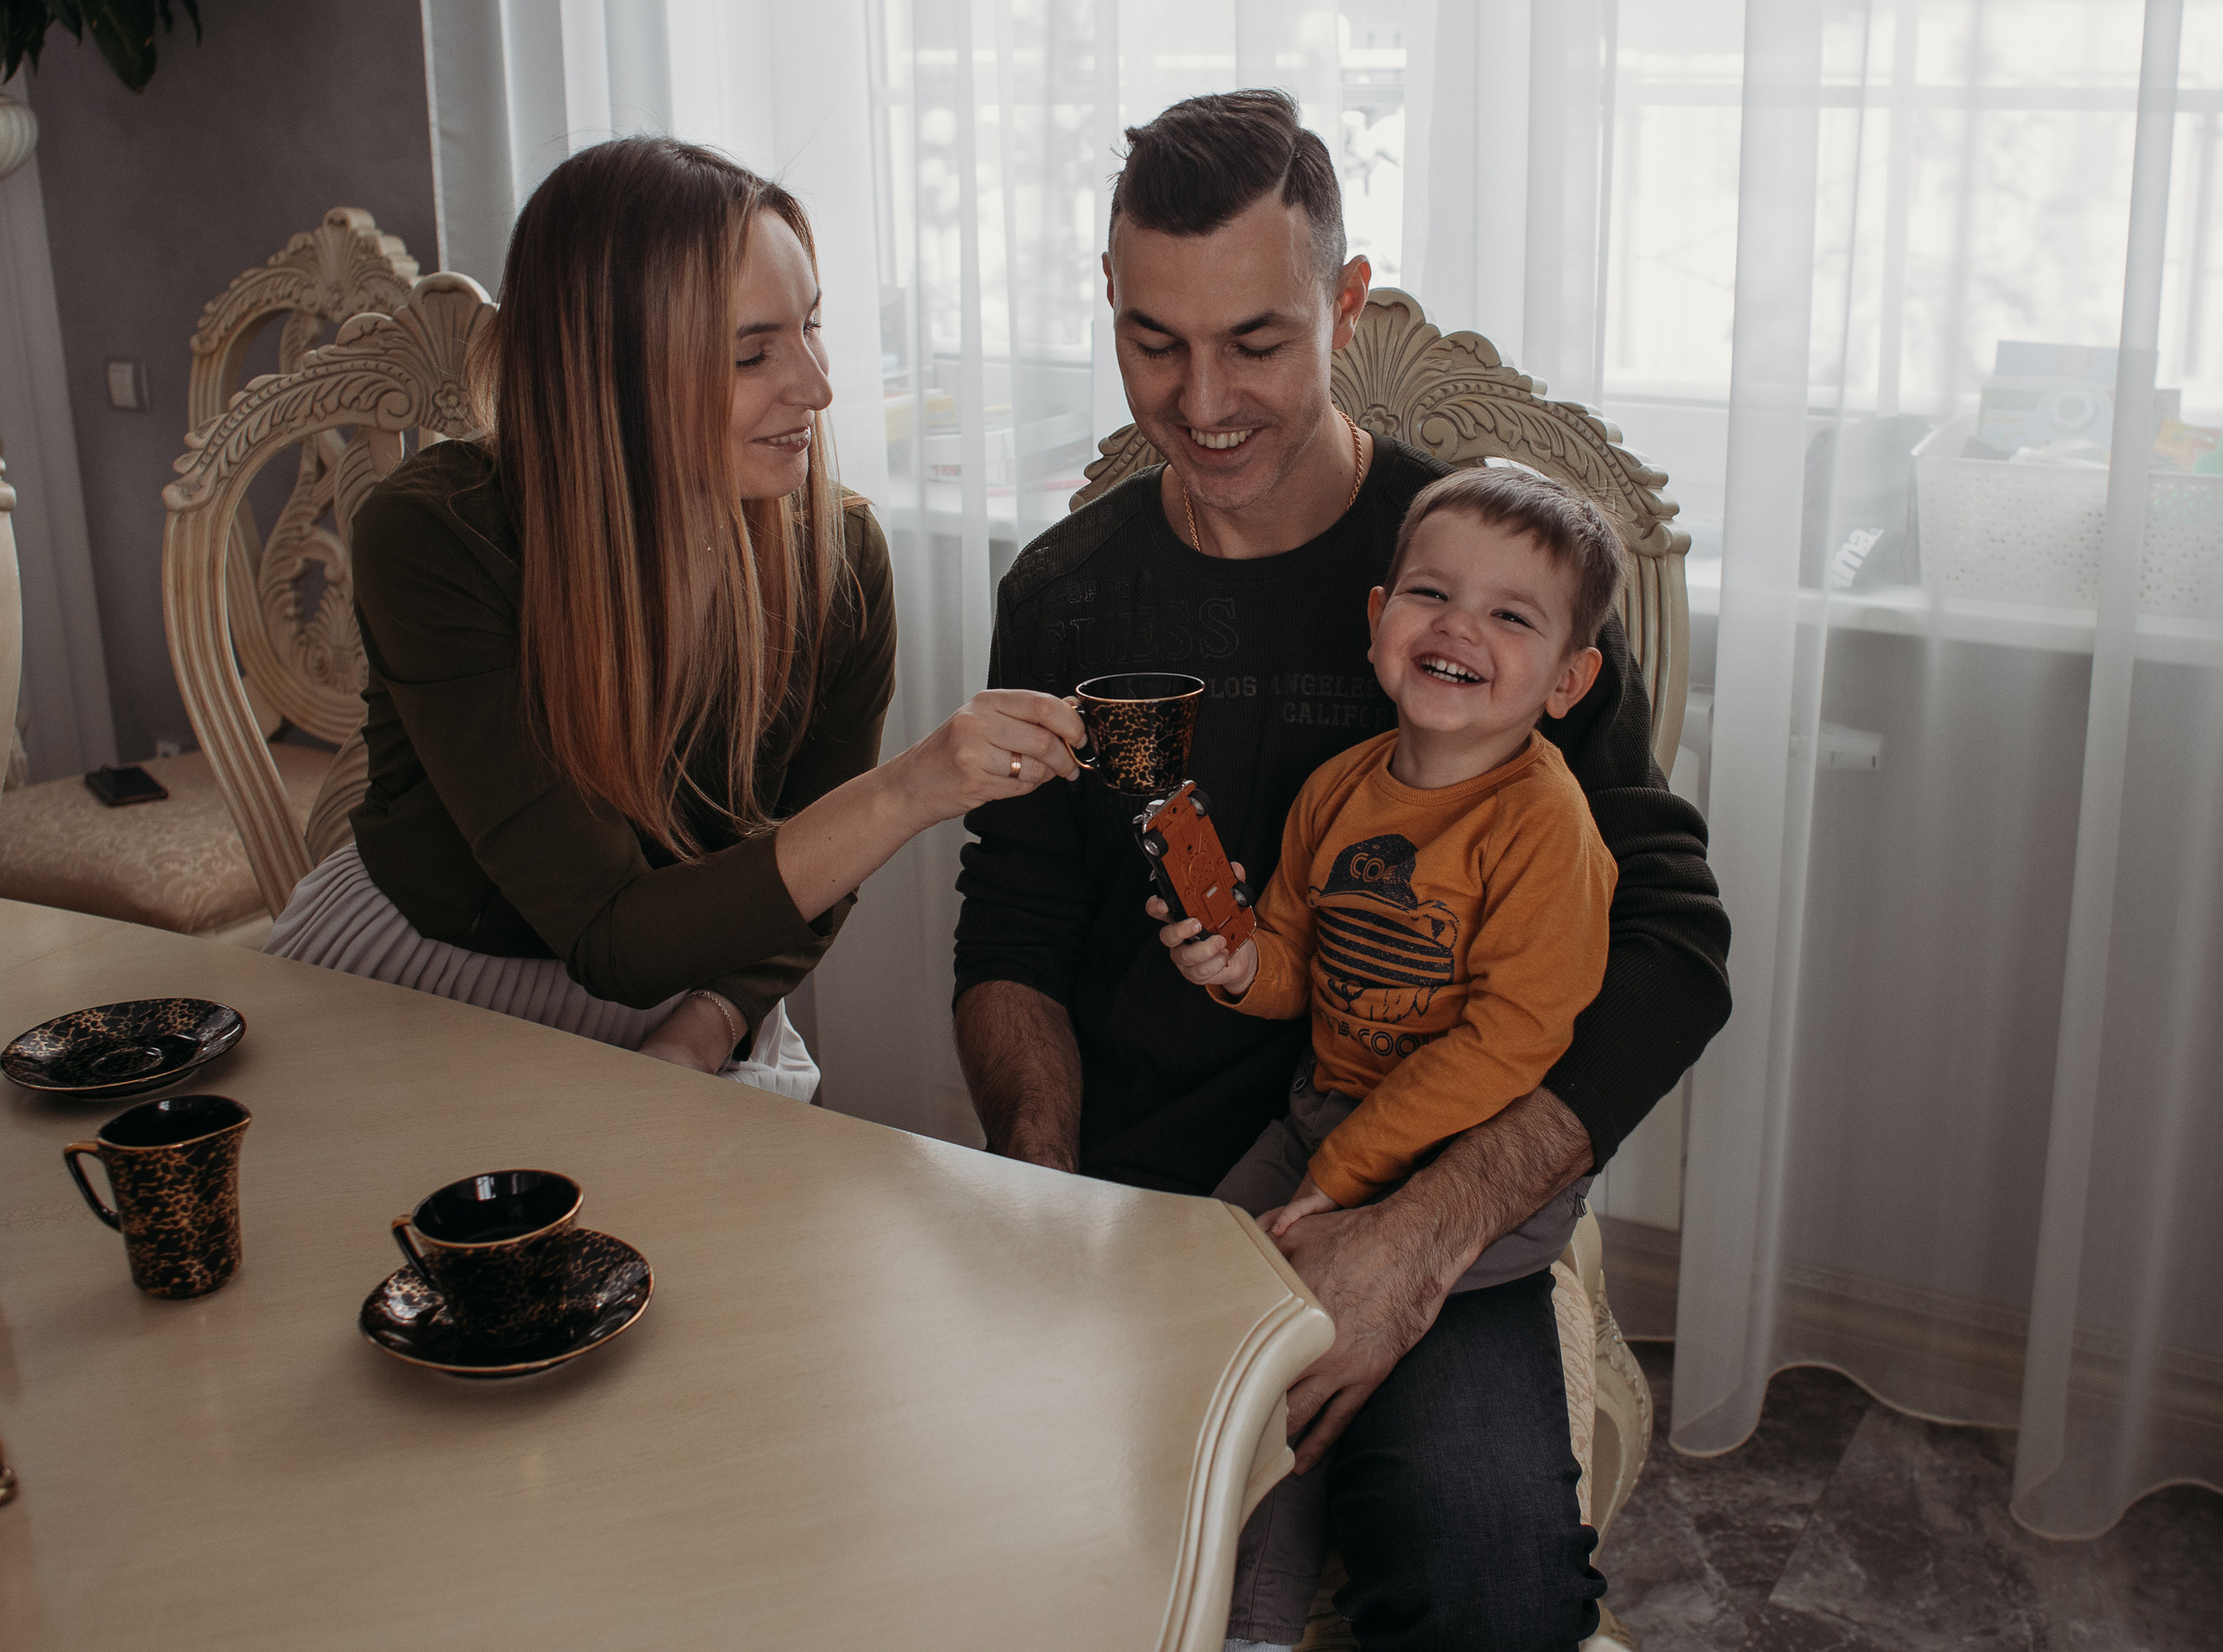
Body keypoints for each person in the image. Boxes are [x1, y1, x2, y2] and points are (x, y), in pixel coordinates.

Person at [952, 90, 1732, 1651]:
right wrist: (1043, 1181)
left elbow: (1672, 946)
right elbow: (1018, 915)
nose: (1203, 398)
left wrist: (1428, 1228)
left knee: (1487, 1591)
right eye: (1151, 340)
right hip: (1141, 1195)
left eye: (1255, 339)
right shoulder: (1066, 589)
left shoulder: (1485, 586)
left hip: (1424, 1180)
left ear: (1346, 303)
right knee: (1014, 1565)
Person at [266, 137, 1086, 1100]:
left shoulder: (840, 559)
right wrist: (909, 789)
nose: (817, 388)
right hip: (427, 982)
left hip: (693, 994)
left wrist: (710, 1026)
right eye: (751, 354)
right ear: (606, 374)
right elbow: (612, 934)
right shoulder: (437, 538)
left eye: (811, 326)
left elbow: (812, 867)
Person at [1157, 466, 1626, 1646]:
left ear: (1568, 681)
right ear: (1378, 622)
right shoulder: (1337, 792)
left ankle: (1261, 1614)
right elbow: (1298, 968)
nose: (1459, 626)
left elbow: (1512, 1039)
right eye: (1431, 593)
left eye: (1512, 616)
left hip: (1472, 1173)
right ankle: (1230, 1612)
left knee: (1319, 1363)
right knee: (1204, 1335)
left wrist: (1344, 1181)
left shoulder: (1541, 826)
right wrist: (1231, 964)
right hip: (1322, 1121)